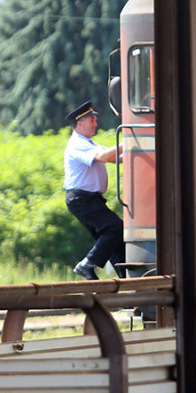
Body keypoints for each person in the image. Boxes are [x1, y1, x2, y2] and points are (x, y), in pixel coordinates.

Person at [63, 100, 125, 280]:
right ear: (80, 124)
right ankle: (87, 264)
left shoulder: (89, 144)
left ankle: (127, 283)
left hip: (89, 200)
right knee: (115, 229)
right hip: (82, 200)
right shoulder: (77, 144)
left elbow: (116, 158)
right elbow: (104, 157)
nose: (96, 123)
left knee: (115, 239)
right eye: (92, 120)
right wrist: (130, 138)